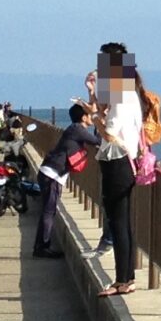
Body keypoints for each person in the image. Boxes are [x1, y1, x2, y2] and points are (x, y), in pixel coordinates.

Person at [92, 44, 151, 298]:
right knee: (123, 222)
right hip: (127, 163)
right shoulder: (130, 92)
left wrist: (94, 118)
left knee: (117, 223)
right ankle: (128, 279)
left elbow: (109, 133)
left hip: (116, 163)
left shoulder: (121, 94)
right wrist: (93, 93)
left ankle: (121, 281)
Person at [34, 101, 101, 259]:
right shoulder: (78, 129)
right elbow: (97, 141)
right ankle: (42, 247)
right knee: (49, 212)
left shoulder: (74, 129)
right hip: (52, 175)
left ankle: (41, 246)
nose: (92, 117)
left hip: (51, 174)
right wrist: (101, 123)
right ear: (84, 117)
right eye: (90, 115)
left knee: (48, 211)